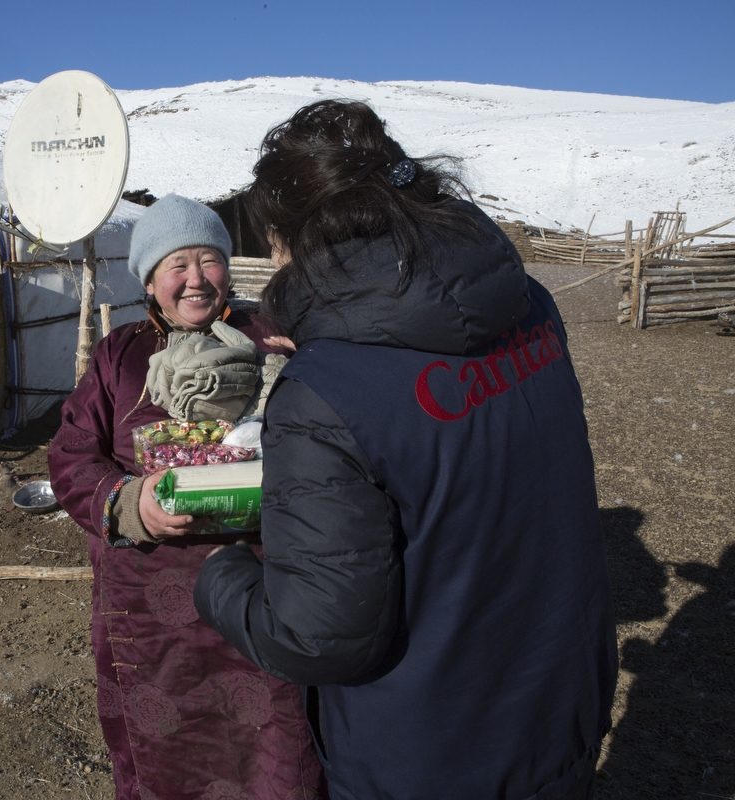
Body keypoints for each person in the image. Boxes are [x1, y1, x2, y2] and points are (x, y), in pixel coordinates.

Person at [193, 100, 618, 800]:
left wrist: (222, 576)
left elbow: (320, 635)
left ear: (289, 235)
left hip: (426, 751)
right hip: (558, 708)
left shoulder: (322, 395)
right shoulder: (529, 305)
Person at [49, 194, 325, 800]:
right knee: (163, 752)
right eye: (178, 265)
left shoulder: (273, 336)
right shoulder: (119, 356)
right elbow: (70, 458)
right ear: (150, 279)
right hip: (151, 605)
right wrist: (128, 502)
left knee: (277, 743)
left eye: (210, 260)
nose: (196, 280)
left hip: (266, 581)